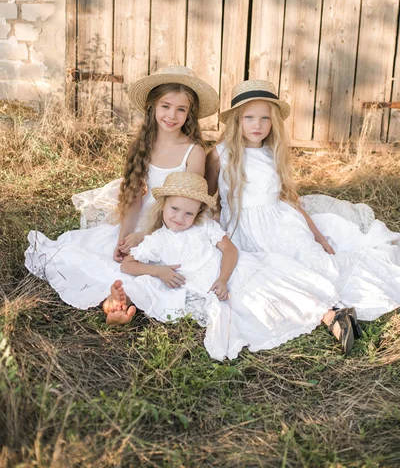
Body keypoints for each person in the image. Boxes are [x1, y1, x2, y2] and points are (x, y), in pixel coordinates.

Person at [205, 80, 400, 354]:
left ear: (274, 123)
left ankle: (336, 311)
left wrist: (318, 236)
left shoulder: (273, 153)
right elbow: (207, 196)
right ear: (237, 120)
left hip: (282, 221)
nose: (257, 125)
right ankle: (333, 315)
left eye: (265, 118)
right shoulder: (220, 154)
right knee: (275, 272)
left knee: (312, 258)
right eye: (249, 117)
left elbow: (289, 200)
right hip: (243, 228)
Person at [24, 65, 219, 309]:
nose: (172, 115)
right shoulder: (145, 145)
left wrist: (144, 235)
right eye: (165, 106)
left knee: (163, 263)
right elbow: (134, 198)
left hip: (176, 221)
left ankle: (126, 298)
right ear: (153, 107)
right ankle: (115, 299)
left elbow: (186, 206)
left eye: (181, 109)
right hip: (146, 217)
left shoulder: (194, 151)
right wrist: (123, 236)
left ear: (189, 114)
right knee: (105, 254)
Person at [105, 172, 340, 360]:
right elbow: (128, 264)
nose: (179, 217)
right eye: (174, 209)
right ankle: (116, 308)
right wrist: (158, 270)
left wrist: (224, 278)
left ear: (197, 213)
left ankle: (331, 317)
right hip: (203, 285)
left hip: (231, 272)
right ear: (164, 205)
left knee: (274, 288)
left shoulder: (204, 227)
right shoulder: (156, 240)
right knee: (251, 306)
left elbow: (230, 249)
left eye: (189, 213)